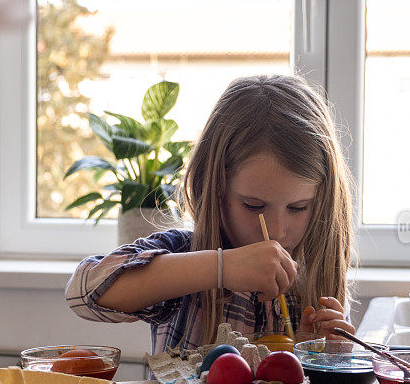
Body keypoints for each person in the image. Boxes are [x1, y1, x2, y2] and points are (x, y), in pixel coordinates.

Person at [65, 74, 357, 355]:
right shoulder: (186, 256)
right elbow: (83, 292)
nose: (278, 231)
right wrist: (222, 268)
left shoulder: (309, 286)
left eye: (298, 208)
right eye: (253, 206)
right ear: (215, 188)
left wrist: (321, 350)